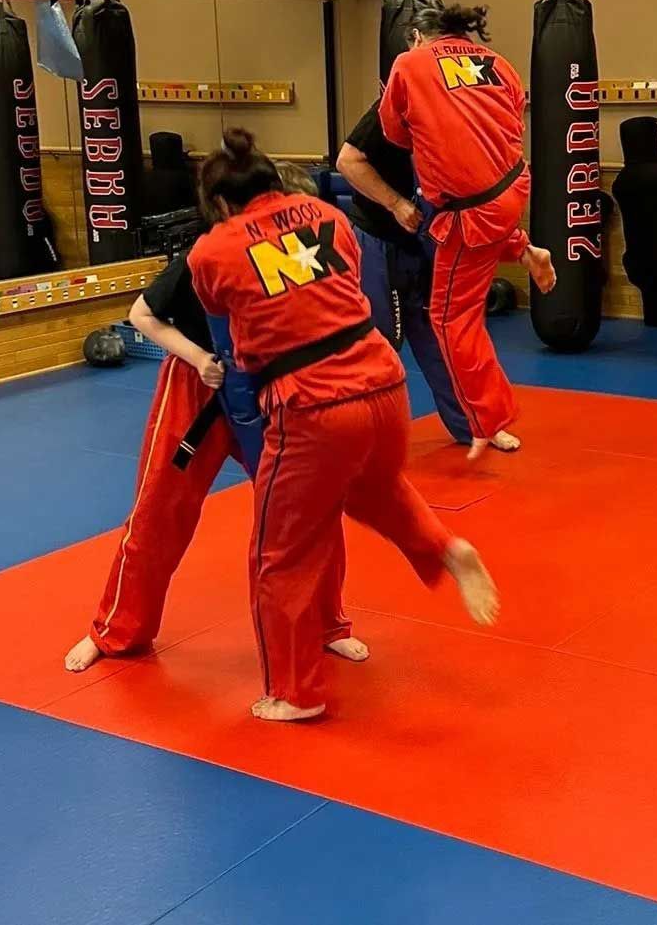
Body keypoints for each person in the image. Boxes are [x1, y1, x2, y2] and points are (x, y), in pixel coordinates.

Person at [189, 128, 498, 723]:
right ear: (274, 181)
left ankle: (294, 692)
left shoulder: (213, 249)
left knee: (278, 553)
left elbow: (223, 316)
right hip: (383, 383)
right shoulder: (326, 214)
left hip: (313, 404)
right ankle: (443, 546)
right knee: (375, 489)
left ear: (222, 203)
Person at [64, 174, 362, 674]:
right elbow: (142, 315)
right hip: (197, 387)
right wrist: (200, 357)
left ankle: (325, 623)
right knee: (159, 509)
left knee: (309, 509)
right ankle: (117, 628)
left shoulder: (303, 252)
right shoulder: (211, 253)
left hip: (271, 391)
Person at [379, 2, 556, 461]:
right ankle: (524, 249)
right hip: (511, 186)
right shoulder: (499, 64)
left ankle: (486, 418)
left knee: (447, 317)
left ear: (419, 37)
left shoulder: (409, 63)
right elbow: (513, 119)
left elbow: (394, 132)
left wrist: (430, 126)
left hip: (471, 210)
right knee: (460, 229)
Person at [337, 101, 475, 448]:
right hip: (379, 241)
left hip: (422, 243)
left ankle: (470, 426)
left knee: (436, 336)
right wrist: (395, 203)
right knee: (379, 341)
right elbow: (347, 161)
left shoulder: (451, 108)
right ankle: (361, 436)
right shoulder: (388, 110)